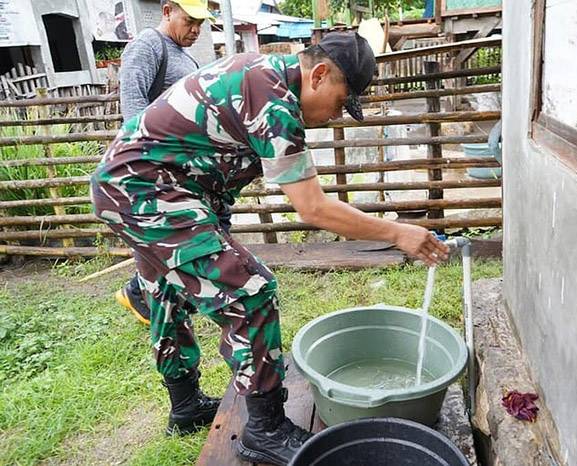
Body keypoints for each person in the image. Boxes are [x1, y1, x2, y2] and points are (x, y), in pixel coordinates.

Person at [90, 32, 449, 465]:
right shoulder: (274, 100)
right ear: (318, 75)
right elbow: (313, 208)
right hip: (144, 192)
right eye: (340, 102)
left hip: (143, 188)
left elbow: (204, 163)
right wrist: (396, 232)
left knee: (165, 295)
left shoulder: (263, 78)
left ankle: (184, 405)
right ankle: (266, 429)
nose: (336, 116)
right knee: (251, 290)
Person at [115, 0, 217, 326]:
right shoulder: (148, 45)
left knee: (181, 234)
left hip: (182, 165)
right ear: (167, 11)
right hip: (153, 163)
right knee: (161, 235)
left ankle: (158, 293)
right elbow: (133, 108)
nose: (196, 30)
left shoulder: (185, 56)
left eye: (201, 23)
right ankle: (139, 292)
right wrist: (148, 164)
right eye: (190, 21)